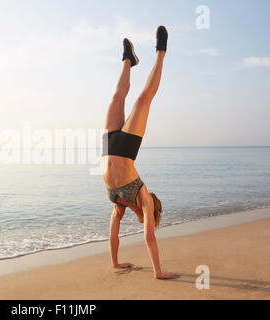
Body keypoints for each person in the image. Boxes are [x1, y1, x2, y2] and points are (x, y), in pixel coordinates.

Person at [102, 26, 179, 280]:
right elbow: (149, 235)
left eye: (140, 216)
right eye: (145, 216)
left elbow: (113, 231)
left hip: (109, 147)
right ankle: (160, 52)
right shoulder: (144, 197)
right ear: (151, 210)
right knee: (143, 99)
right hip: (125, 150)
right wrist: (158, 272)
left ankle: (128, 60)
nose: (140, 216)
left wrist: (115, 262)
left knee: (116, 97)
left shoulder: (120, 205)